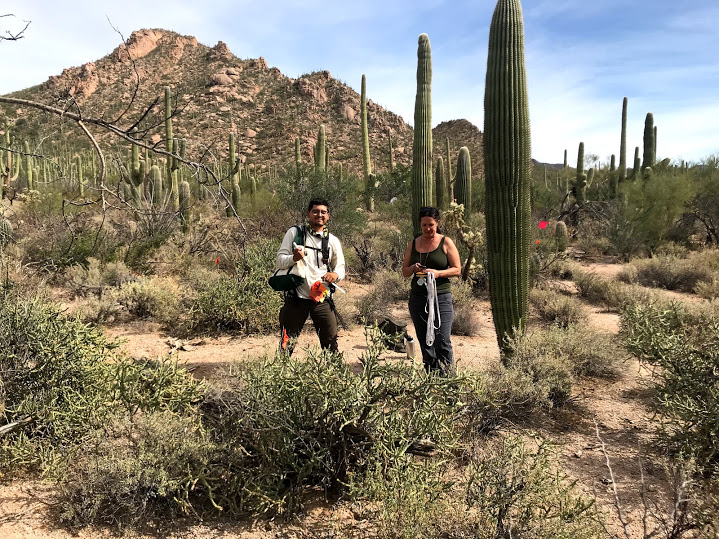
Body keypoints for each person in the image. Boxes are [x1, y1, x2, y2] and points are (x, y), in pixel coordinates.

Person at [276, 198, 345, 354]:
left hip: (322, 299)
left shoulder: (333, 241)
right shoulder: (294, 233)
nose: (319, 215)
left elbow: (340, 269)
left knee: (331, 343)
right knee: (287, 344)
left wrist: (334, 275)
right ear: (308, 214)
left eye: (323, 212)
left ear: (328, 216)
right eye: (315, 211)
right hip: (295, 299)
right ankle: (280, 374)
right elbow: (280, 262)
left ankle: (334, 376)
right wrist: (293, 258)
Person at [401, 206, 462, 374]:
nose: (428, 229)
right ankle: (431, 380)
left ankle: (449, 381)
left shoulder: (446, 242)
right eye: (424, 225)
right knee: (425, 341)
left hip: (440, 297)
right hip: (418, 298)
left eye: (431, 225)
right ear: (420, 225)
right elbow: (405, 272)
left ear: (437, 223)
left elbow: (457, 269)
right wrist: (413, 267)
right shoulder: (413, 244)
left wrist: (438, 273)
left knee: (442, 340)